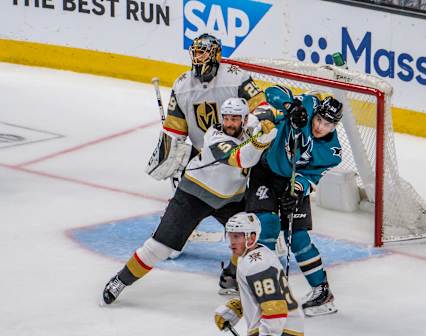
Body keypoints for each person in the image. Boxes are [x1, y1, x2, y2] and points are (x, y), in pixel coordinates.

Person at [102, 97, 277, 305]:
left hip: (231, 199)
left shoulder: (250, 126)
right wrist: (264, 137)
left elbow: (268, 110)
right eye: (226, 118)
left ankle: (230, 277)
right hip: (193, 195)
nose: (229, 123)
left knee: (248, 237)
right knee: (159, 248)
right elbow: (244, 159)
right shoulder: (214, 135)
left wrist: (270, 116)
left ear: (244, 118)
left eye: (235, 119)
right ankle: (121, 280)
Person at [144, 33, 265, 292]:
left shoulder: (236, 76)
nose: (197, 57)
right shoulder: (183, 84)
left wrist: (256, 133)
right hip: (204, 154)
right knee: (185, 193)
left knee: (242, 208)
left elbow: (260, 107)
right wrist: (169, 153)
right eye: (195, 51)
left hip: (239, 157)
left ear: (215, 54)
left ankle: (246, 249)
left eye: (203, 52)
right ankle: (175, 235)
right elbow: (176, 130)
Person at [245, 85, 344, 317]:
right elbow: (272, 92)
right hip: (266, 170)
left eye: (327, 124)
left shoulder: (333, 152)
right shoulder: (308, 104)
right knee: (266, 226)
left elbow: (312, 176)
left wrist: (296, 190)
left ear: (334, 127)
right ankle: (266, 290)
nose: (320, 127)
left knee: (298, 238)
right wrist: (291, 107)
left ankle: (322, 292)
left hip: (292, 182)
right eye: (319, 120)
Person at [214, 212, 304, 336]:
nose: (232, 242)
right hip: (282, 327)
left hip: (282, 330)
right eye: (230, 236)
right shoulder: (256, 254)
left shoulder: (257, 265)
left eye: (237, 237)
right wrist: (238, 307)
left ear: (251, 238)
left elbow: (276, 308)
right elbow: (263, 295)